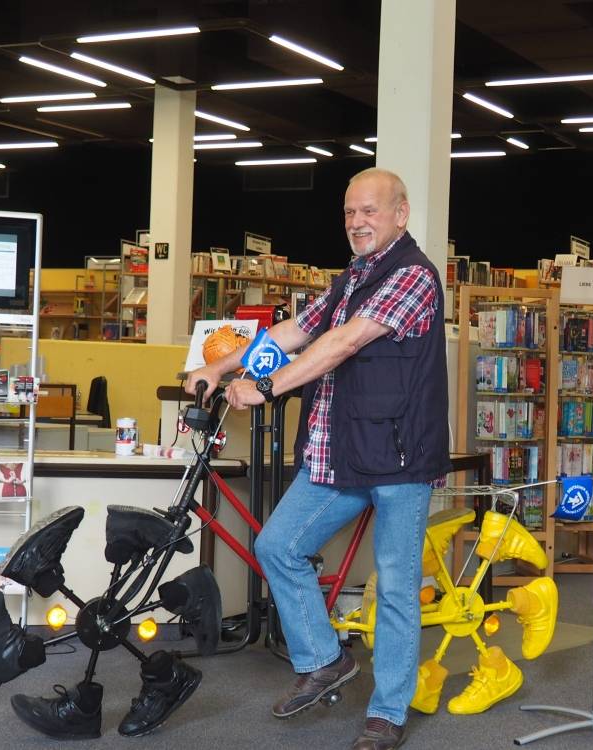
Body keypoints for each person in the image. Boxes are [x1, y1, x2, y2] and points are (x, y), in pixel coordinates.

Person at [186, 168, 449, 750]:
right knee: (278, 545)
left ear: (400, 214)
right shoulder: (351, 277)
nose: (357, 222)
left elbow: (343, 342)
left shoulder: (415, 277)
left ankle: (387, 714)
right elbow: (296, 330)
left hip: (401, 458)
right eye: (349, 213)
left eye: (370, 211)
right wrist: (220, 367)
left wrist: (268, 388)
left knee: (399, 588)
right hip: (344, 452)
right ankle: (325, 659)